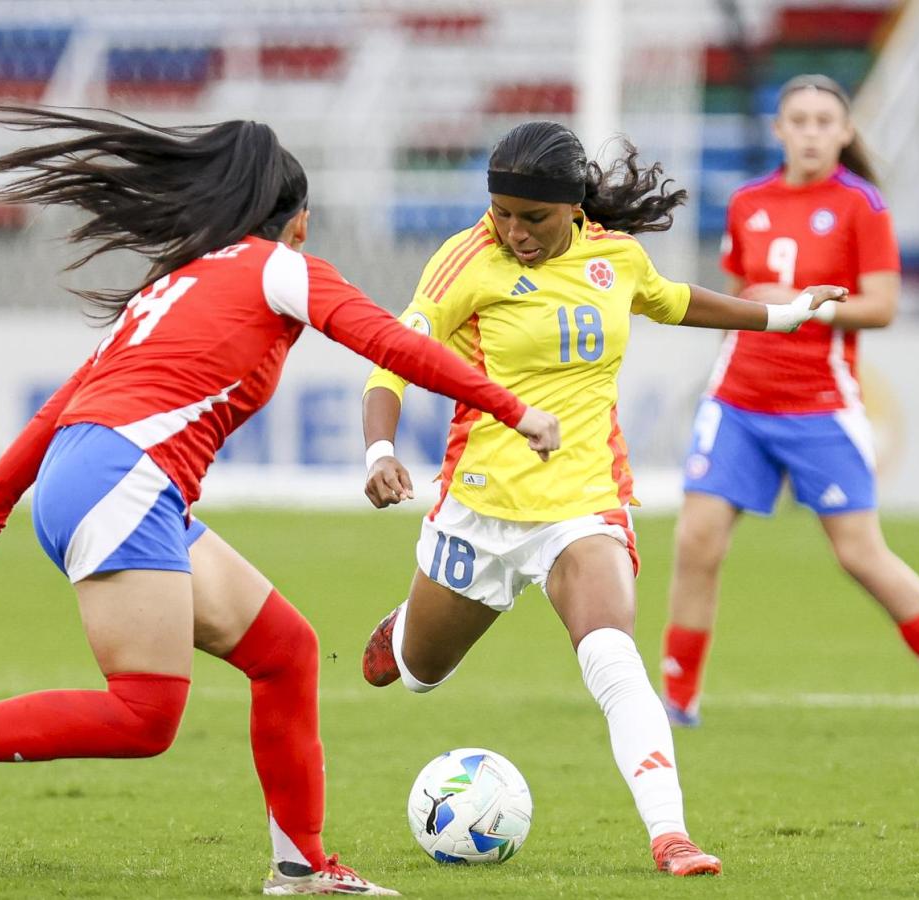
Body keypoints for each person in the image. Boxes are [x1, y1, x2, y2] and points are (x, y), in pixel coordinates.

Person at [0, 105, 562, 896]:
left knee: (285, 651)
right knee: (145, 714)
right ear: (298, 222)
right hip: (123, 481)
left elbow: (62, 403)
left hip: (100, 474)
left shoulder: (174, 284)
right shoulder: (278, 266)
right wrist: (515, 408)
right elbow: (391, 341)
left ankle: (302, 867)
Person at [355, 120, 847, 877]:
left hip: (583, 502)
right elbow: (392, 355)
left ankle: (671, 835)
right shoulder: (464, 261)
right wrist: (381, 451)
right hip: (480, 509)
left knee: (614, 658)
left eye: (534, 218)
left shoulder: (616, 257)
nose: (514, 232)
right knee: (415, 674)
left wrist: (785, 314)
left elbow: (676, 300)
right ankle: (406, 624)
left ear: (575, 208)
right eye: (502, 213)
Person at [659, 74, 919, 735]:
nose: (810, 132)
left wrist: (805, 302)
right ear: (779, 130)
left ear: (844, 133)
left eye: (823, 121)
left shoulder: (862, 205)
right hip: (737, 401)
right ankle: (676, 701)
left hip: (818, 406)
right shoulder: (748, 202)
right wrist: (756, 316)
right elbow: (736, 299)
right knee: (696, 541)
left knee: (860, 555)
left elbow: (884, 306)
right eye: (798, 121)